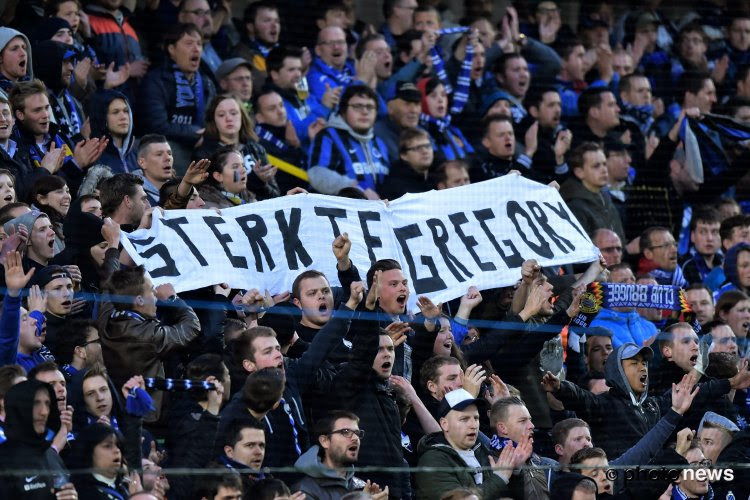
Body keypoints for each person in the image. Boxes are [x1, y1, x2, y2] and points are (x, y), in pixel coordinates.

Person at [98, 265, 200, 418]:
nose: (156, 294)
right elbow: (192, 326)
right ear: (139, 300)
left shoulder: (106, 318)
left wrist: (113, 248)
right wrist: (173, 298)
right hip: (148, 419)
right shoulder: (149, 336)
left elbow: (109, 287)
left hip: (118, 413)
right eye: (152, 290)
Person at [415, 388, 528, 500]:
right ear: (445, 424)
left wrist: (515, 472)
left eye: (476, 418)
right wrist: (499, 478)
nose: (473, 425)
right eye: (464, 419)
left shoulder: (483, 451)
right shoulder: (433, 461)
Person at [137, 23, 216, 170]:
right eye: (189, 43)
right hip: (165, 147)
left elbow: (213, 120)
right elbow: (156, 126)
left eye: (199, 44)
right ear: (171, 49)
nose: (196, 48)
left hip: (200, 145)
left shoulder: (206, 82)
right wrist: (193, 133)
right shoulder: (155, 81)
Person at [9, 79, 106, 196]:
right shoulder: (15, 148)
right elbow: (26, 193)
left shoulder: (59, 136)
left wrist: (89, 174)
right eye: (37, 110)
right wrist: (75, 166)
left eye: (46, 108)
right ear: (20, 114)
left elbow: (74, 188)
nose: (45, 115)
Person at [308, 84, 390, 198]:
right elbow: (317, 174)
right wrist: (357, 188)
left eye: (370, 107)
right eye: (357, 106)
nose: (365, 112)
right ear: (343, 111)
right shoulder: (328, 136)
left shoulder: (380, 143)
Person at [0, 379, 77, 498]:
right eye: (36, 403)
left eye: (47, 403)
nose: (44, 412)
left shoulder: (51, 455)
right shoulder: (4, 460)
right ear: (18, 407)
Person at [195, 93, 279, 201]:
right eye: (221, 115)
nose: (228, 118)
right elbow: (207, 195)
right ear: (214, 121)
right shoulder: (204, 155)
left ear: (242, 117)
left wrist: (261, 183)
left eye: (234, 113)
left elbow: (276, 197)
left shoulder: (257, 149)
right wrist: (255, 181)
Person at [294, 410, 387, 499]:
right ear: (324, 441)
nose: (355, 438)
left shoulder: (361, 486)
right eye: (345, 432)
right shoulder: (304, 491)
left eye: (357, 433)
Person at [560, 142, 625, 243]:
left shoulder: (607, 200)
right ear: (579, 172)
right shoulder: (574, 206)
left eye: (604, 164)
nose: (604, 170)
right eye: (596, 166)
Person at [66, 423, 132, 499]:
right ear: (89, 452)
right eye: (108, 446)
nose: (117, 450)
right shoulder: (77, 493)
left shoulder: (127, 488)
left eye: (118, 445)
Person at [86, 89, 137, 174]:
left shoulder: (137, 154)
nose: (123, 117)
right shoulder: (94, 157)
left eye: (126, 111)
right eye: (115, 112)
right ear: (102, 117)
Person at [374, 80, 423, 163]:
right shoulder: (377, 134)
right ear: (390, 108)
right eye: (407, 104)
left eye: (417, 104)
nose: (414, 110)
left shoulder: (423, 134)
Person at [379, 127, 434, 200]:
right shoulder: (394, 188)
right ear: (404, 155)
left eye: (427, 146)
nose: (425, 151)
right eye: (417, 148)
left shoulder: (438, 179)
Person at [680, 208, 723, 286]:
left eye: (715, 232)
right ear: (692, 236)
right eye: (702, 232)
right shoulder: (683, 265)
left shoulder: (725, 262)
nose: (709, 238)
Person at [133, 134, 174, 206]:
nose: (168, 158)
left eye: (169, 153)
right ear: (142, 162)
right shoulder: (132, 196)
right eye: (159, 154)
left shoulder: (180, 190)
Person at [0, 27, 33, 92]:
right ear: (0, 58)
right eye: (14, 49)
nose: (23, 53)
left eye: (24, 47)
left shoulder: (35, 89)